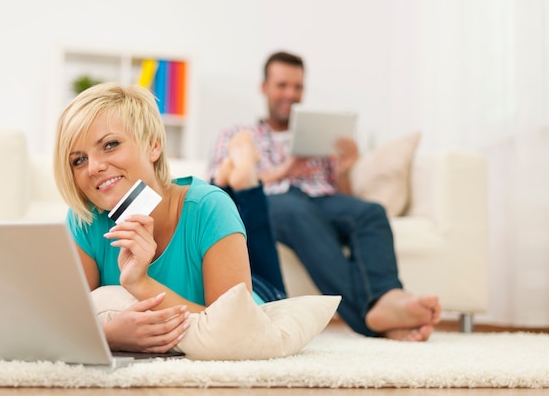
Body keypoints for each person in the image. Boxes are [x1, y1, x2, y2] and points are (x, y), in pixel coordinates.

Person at [209, 51, 442, 341]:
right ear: (264, 88)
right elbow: (222, 188)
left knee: (370, 212)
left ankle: (387, 298)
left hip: (320, 200)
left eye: (297, 87)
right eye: (282, 85)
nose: (290, 94)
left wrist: (345, 170)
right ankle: (371, 318)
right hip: (274, 200)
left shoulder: (319, 134)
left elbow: (343, 196)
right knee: (297, 211)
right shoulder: (238, 134)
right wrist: (286, 170)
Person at [52, 82, 283, 354]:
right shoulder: (85, 220)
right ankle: (228, 173)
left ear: (154, 145)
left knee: (272, 284)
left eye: (110, 145)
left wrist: (140, 283)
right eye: (78, 160)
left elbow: (235, 331)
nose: (94, 167)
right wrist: (108, 336)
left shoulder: (209, 207)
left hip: (260, 294)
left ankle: (241, 169)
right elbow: (62, 325)